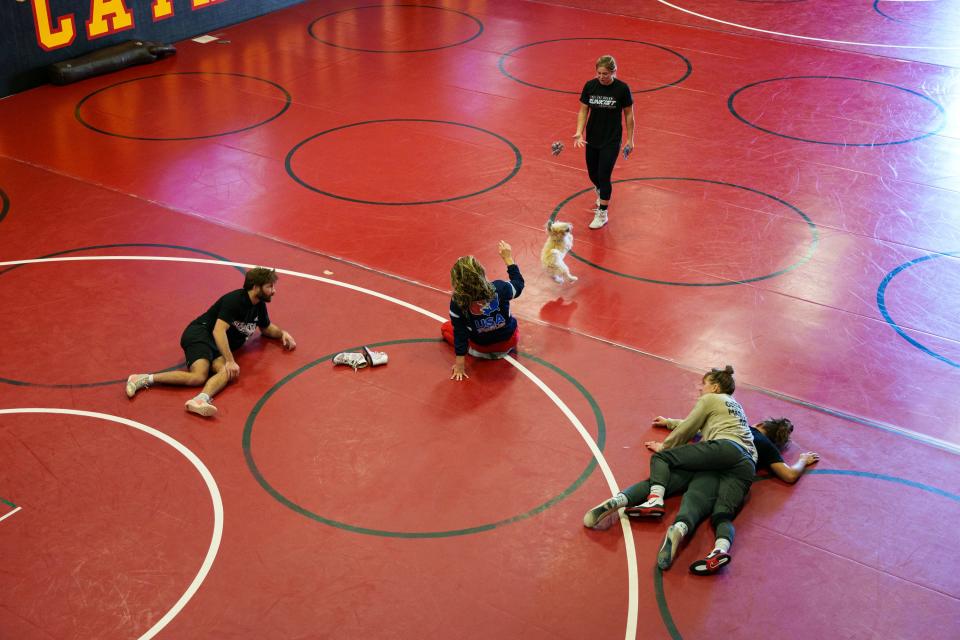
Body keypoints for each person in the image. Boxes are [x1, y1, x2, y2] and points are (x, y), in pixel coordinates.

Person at [584, 416, 820, 575]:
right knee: (713, 511)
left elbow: (697, 425)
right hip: (730, 471)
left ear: (758, 423)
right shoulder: (765, 446)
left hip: (706, 456)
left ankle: (619, 500)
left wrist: (669, 423)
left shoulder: (737, 425)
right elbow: (788, 475)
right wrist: (801, 461)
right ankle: (691, 533)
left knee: (658, 482)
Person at [125, 266, 296, 417]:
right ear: (256, 287)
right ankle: (142, 378)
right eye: (270, 287)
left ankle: (200, 400)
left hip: (219, 343)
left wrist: (283, 334)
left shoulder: (259, 305)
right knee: (199, 376)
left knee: (227, 372)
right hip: (201, 334)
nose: (274, 291)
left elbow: (266, 327)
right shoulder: (234, 300)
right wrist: (230, 360)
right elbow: (218, 330)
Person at [441, 241, 524, 381]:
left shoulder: (458, 301)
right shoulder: (500, 288)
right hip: (510, 340)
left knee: (446, 327)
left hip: (482, 349)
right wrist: (508, 258)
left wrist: (460, 365)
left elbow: (460, 333)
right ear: (482, 272)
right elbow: (519, 284)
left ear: (456, 280)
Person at [573, 54, 635, 230]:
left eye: (605, 73)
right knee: (593, 174)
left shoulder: (622, 89)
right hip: (592, 138)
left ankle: (602, 213)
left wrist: (630, 140)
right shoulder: (590, 86)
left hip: (611, 139)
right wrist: (579, 132)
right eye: (599, 73)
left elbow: (629, 114)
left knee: (603, 175)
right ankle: (601, 192)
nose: (601, 77)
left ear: (614, 72)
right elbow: (583, 110)